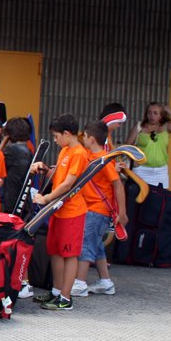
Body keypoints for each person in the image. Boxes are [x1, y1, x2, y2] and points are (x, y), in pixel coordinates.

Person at [32, 114, 89, 311]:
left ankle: (65, 298)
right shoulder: (65, 150)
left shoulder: (79, 153)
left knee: (69, 254)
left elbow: (68, 184)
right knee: (55, 251)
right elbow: (59, 176)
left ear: (66, 133)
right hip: (57, 209)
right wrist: (45, 169)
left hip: (72, 211)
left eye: (56, 136)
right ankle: (56, 291)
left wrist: (46, 198)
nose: (55, 140)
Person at [73, 121, 126, 297]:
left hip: (97, 209)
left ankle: (80, 282)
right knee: (96, 245)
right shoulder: (91, 155)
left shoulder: (104, 160)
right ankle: (105, 281)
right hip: (93, 209)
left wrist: (122, 213)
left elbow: (118, 185)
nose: (83, 139)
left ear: (92, 139)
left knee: (86, 244)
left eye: (85, 136)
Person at [127, 102, 171, 188]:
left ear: (161, 116)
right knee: (140, 195)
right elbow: (127, 146)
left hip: (160, 171)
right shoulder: (140, 127)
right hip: (141, 169)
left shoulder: (166, 127)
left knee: (161, 195)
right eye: (149, 113)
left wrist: (169, 111)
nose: (152, 116)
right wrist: (133, 161)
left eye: (155, 113)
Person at [0, 117, 33, 215]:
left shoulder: (11, 150)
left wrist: (3, 142)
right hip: (24, 199)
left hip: (11, 200)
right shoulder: (28, 150)